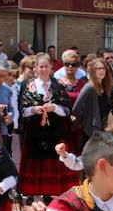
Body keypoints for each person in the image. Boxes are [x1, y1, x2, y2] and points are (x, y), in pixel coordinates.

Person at [18, 53, 78, 200]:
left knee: (54, 163)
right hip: (34, 134)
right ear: (35, 68)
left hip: (55, 133)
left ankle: (52, 196)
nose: (44, 69)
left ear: (51, 67)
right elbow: (22, 110)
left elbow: (66, 111)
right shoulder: (28, 86)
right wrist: (33, 110)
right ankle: (37, 197)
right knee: (36, 164)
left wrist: (55, 108)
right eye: (41, 66)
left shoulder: (59, 86)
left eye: (46, 66)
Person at [72, 59, 112, 142]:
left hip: (104, 127)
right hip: (91, 129)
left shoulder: (105, 86)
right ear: (93, 71)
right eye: (98, 68)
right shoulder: (89, 87)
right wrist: (85, 120)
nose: (102, 71)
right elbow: (76, 108)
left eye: (103, 68)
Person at [57, 51, 87, 154]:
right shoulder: (57, 83)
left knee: (77, 152)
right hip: (61, 122)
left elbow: (85, 105)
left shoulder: (82, 84)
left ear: (78, 66)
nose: (70, 67)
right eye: (67, 64)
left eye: (73, 64)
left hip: (78, 123)